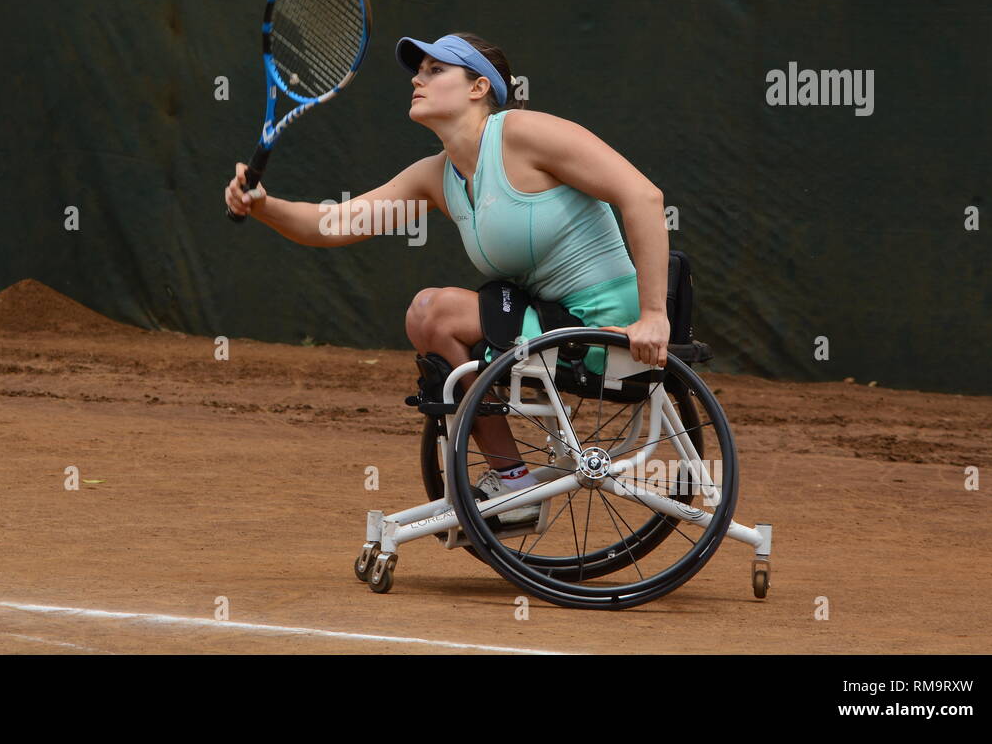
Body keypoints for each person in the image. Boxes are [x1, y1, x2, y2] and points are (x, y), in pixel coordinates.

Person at [224, 31, 671, 523]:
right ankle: (515, 484)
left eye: (437, 70)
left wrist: (654, 316)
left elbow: (643, 197)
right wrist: (264, 206)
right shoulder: (438, 175)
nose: (418, 79)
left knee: (433, 311)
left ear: (479, 87)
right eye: (419, 71)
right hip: (549, 326)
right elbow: (334, 225)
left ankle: (511, 485)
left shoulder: (523, 133)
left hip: (609, 328)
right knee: (435, 316)